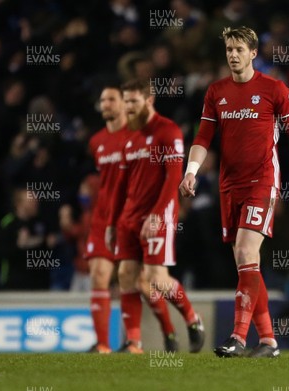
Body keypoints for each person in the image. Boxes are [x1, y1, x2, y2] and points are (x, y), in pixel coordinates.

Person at [179, 26, 289, 358]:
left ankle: (238, 337)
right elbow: (202, 138)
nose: (232, 54)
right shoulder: (216, 92)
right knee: (248, 265)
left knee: (245, 253)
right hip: (229, 187)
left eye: (239, 49)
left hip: (263, 183)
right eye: (229, 48)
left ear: (253, 53)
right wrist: (191, 172)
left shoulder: (274, 89)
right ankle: (270, 341)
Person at [106, 79, 205, 354]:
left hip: (158, 214)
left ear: (149, 101)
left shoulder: (168, 131)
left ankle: (192, 319)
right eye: (125, 101)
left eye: (134, 101)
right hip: (129, 216)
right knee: (128, 276)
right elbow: (120, 183)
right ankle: (138, 342)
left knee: (156, 279)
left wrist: (157, 215)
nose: (128, 107)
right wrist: (113, 221)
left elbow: (173, 176)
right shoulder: (128, 135)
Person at [81, 86, 179, 353]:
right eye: (102, 100)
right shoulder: (96, 142)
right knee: (99, 276)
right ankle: (104, 345)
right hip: (106, 217)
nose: (106, 105)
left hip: (136, 216)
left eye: (112, 99)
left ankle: (168, 332)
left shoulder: (137, 135)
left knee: (146, 283)